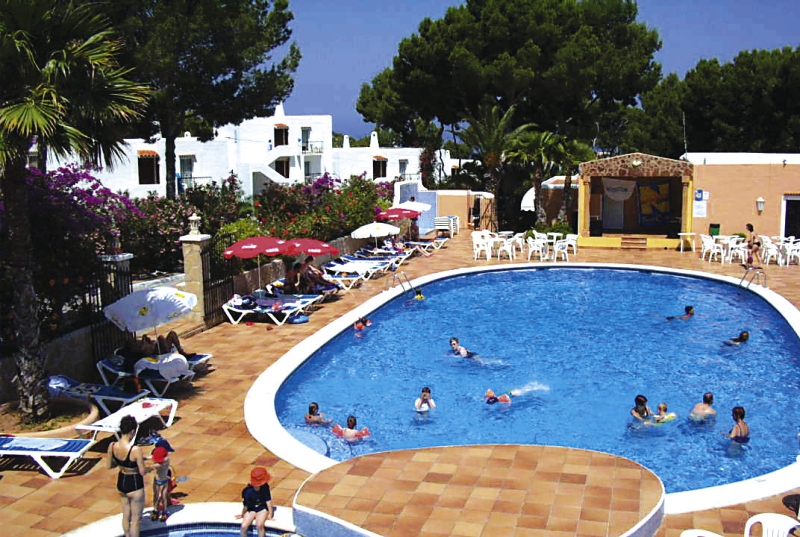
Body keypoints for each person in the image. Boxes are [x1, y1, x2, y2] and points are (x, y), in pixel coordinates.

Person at [108, 415, 152, 537]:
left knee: (126, 514)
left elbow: (110, 465)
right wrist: (151, 468)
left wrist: (124, 464)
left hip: (121, 481)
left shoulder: (112, 446)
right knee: (136, 519)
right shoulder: (135, 449)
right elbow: (142, 471)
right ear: (132, 431)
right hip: (134, 483)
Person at [236, 467, 274, 537]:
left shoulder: (265, 487)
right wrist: (242, 514)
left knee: (259, 525)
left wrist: (270, 514)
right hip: (251, 509)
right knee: (244, 526)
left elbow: (268, 500)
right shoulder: (248, 491)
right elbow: (246, 505)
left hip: (262, 508)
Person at [150, 446, 171, 521]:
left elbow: (151, 467)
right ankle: (156, 510)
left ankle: (163, 511)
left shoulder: (161, 464)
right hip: (161, 480)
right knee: (158, 496)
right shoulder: (167, 459)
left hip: (162, 481)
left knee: (162, 496)